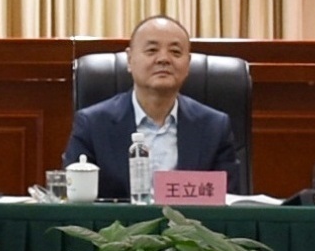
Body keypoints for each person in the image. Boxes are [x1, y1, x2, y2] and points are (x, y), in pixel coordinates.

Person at [68, 15, 252, 197]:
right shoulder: (92, 124)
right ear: (130, 59)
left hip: (189, 218)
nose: (163, 59)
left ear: (188, 64)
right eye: (152, 50)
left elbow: (228, 200)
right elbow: (74, 199)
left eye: (175, 52)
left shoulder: (214, 127)